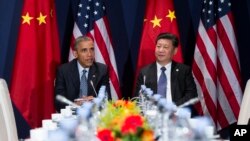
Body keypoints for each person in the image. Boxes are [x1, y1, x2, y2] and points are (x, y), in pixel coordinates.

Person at [135, 32, 198, 107]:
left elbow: (191, 95)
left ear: (175, 51)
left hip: (177, 113)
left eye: (165, 47)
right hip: (152, 115)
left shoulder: (183, 70)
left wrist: (173, 107)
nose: (161, 50)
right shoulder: (145, 72)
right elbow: (137, 98)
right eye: (158, 46)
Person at [55, 36, 110, 111]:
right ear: (75, 54)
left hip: (94, 115)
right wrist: (74, 104)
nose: (90, 54)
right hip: (71, 116)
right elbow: (58, 101)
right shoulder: (64, 71)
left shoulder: (101, 70)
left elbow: (107, 98)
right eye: (84, 50)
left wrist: (95, 101)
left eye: (92, 49)